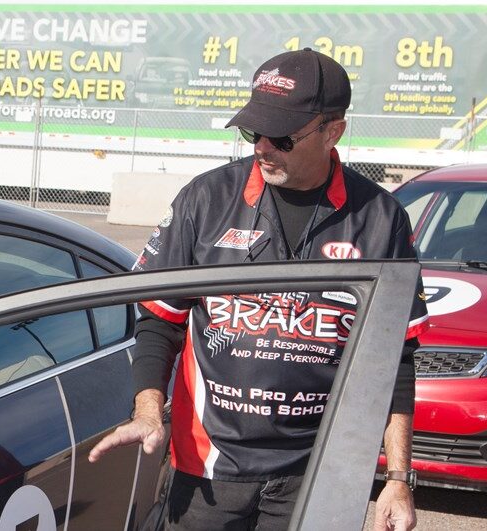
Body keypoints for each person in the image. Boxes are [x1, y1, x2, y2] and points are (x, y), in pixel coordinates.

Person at [88, 49, 428, 531]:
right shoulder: (205, 200)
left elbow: (395, 360)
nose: (263, 147)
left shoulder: (380, 219)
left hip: (321, 470)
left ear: (333, 131)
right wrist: (147, 410)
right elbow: (159, 322)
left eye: (282, 137)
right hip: (208, 468)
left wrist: (397, 478)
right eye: (254, 132)